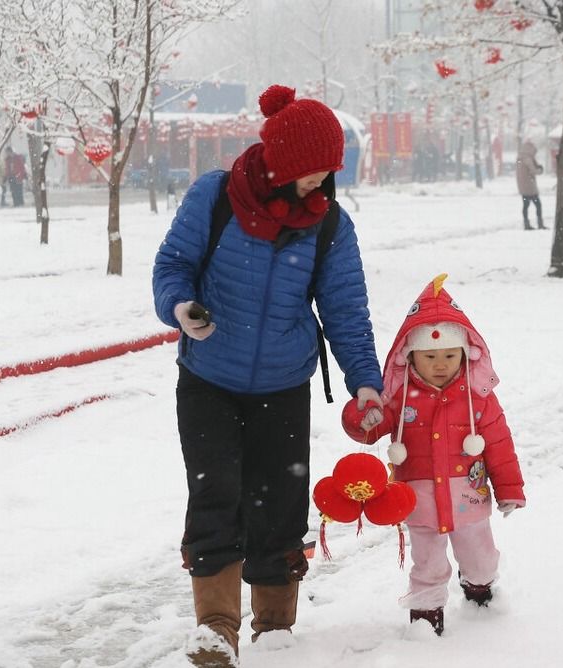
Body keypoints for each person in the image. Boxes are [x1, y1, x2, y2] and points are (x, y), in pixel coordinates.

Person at [152, 84, 385, 666]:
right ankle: (216, 628)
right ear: (282, 165)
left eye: (329, 172)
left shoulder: (330, 225)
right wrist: (181, 309)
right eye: (313, 172)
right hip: (208, 378)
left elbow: (346, 310)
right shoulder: (215, 197)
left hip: (283, 384)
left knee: (279, 503)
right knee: (216, 494)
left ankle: (275, 627)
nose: (322, 184)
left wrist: (365, 381)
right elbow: (173, 265)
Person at [341, 273, 526, 637]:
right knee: (426, 562)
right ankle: (426, 612)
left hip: (468, 497)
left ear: (465, 353)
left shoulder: (479, 398)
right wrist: (363, 416)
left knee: (480, 556)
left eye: (449, 355)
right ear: (411, 356)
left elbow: (500, 445)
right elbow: (371, 429)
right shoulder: (399, 397)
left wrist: (509, 489)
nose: (440, 364)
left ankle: (479, 585)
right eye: (429, 356)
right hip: (418, 498)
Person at [516, 140, 546, 230]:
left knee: (525, 205)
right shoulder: (528, 159)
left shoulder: (519, 158)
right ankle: (540, 224)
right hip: (530, 187)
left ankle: (526, 224)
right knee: (538, 205)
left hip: (522, 186)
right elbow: (533, 171)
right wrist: (540, 171)